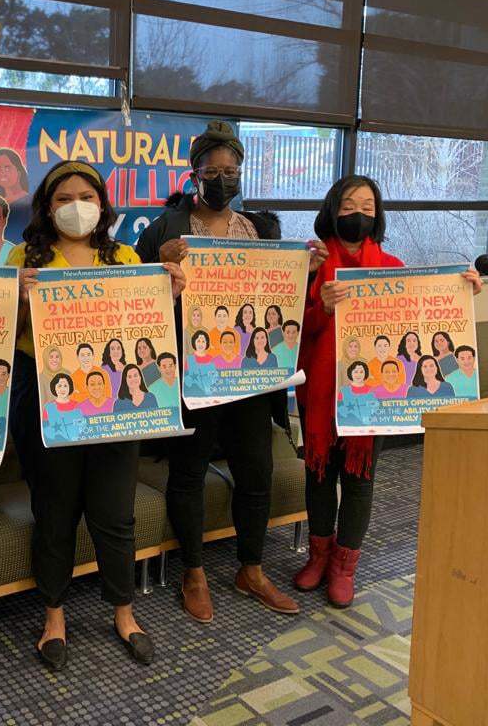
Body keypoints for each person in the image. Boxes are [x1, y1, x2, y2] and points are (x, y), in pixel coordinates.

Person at [135, 121, 327, 622]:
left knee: (256, 472)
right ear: (194, 174)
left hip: (251, 376)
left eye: (231, 171)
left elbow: (280, 297)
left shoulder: (261, 230)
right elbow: (134, 300)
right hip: (193, 376)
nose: (222, 179)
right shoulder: (165, 229)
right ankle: (194, 573)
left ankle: (252, 569)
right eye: (212, 172)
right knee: (189, 472)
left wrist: (304, 271)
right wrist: (157, 265)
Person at [7, 159, 185, 671]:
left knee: (114, 512)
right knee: (54, 511)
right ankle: (54, 617)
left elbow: (147, 330)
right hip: (47, 396)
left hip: (114, 403)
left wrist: (169, 295)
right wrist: (19, 298)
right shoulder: (24, 257)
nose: (76, 206)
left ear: (102, 205)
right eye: (64, 198)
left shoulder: (125, 257)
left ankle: (124, 612)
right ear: (46, 207)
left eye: (86, 196)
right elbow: (4, 336)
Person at [293, 174, 480, 610]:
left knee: (359, 480)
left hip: (372, 398)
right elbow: (291, 333)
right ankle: (317, 557)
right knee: (319, 477)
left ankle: (344, 567)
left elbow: (422, 325)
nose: (357, 214)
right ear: (332, 210)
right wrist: (321, 306)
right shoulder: (312, 263)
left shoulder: (392, 267)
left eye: (367, 207)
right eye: (348, 206)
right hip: (320, 393)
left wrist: (462, 290)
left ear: (377, 216)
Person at [337, 361, 378, 425]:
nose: (358, 375)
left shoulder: (372, 390)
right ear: (350, 373)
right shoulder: (343, 391)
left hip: (369, 424)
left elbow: (376, 408)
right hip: (349, 424)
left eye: (361, 372)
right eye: (356, 372)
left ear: (365, 373)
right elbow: (339, 409)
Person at [183, 330, 218, 396]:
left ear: (207, 343)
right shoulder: (189, 359)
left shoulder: (211, 359)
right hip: (194, 392)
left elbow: (215, 378)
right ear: (194, 342)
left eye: (203, 341)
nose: (200, 344)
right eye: (198, 341)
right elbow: (186, 379)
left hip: (209, 393)